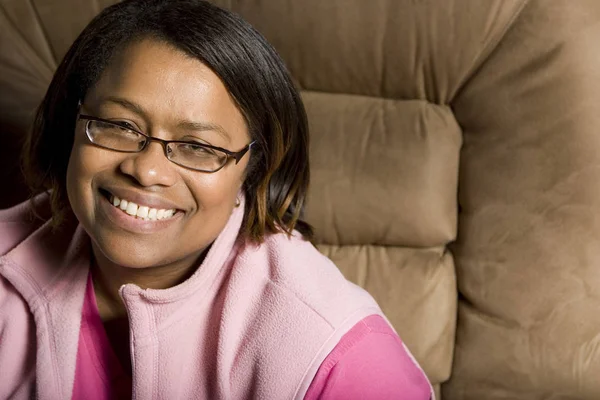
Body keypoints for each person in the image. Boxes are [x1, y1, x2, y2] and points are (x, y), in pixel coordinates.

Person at [0, 0, 433, 398]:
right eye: (119, 125)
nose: (146, 170)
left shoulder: (340, 353)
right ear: (71, 124)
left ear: (254, 168)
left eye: (198, 147)